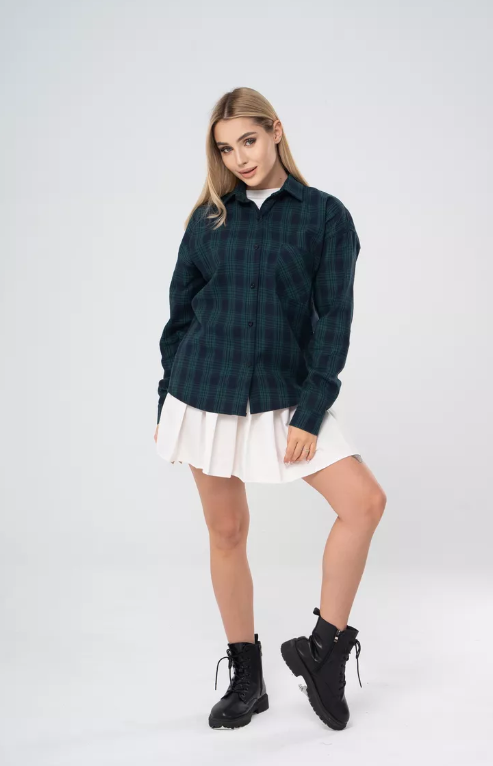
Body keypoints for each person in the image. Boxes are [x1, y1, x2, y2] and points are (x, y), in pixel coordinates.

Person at [154, 87, 387, 731]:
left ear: (276, 130)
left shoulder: (325, 217)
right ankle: (246, 675)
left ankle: (324, 652)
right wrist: (167, 402)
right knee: (227, 532)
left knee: (364, 504)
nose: (241, 158)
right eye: (227, 149)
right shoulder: (208, 220)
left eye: (249, 141)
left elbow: (334, 321)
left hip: (288, 394)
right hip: (205, 392)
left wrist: (311, 412)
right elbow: (179, 320)